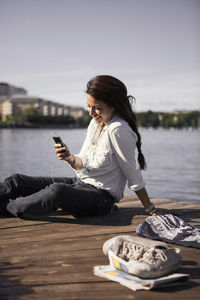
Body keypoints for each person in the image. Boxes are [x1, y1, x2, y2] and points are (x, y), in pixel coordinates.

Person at [0, 75, 159, 219]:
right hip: (80, 183)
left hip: (100, 199)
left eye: (97, 107)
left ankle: (6, 208)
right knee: (16, 181)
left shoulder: (118, 130)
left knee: (57, 191)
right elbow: (83, 163)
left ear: (114, 105)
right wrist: (69, 157)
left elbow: (133, 175)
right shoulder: (95, 124)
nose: (91, 113)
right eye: (88, 106)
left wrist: (150, 208)